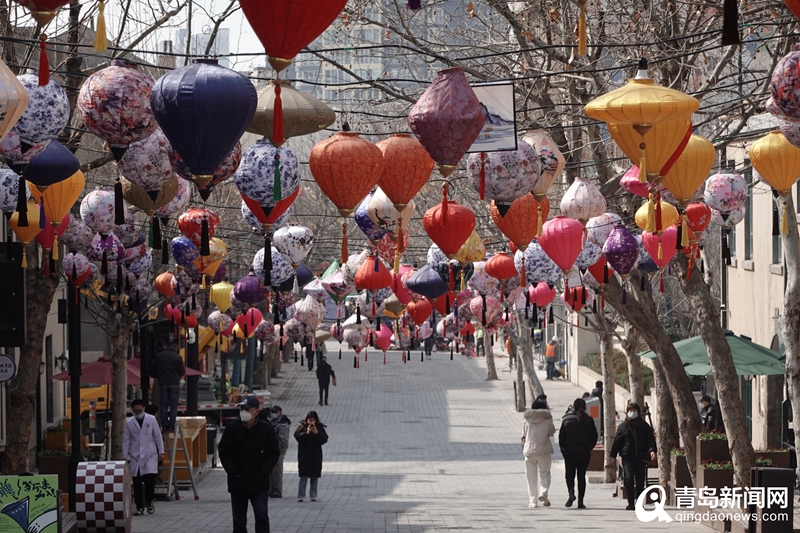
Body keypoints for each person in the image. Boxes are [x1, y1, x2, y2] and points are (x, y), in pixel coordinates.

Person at [219, 396, 280, 533]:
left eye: (247, 409)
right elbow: (224, 451)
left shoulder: (266, 429)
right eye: (242, 409)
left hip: (259, 482)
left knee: (261, 515)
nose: (243, 412)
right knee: (239, 521)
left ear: (256, 412)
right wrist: (234, 472)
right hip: (238, 482)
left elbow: (273, 453)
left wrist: (262, 472)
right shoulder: (232, 429)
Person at [609, 402, 657, 510]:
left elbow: (650, 439)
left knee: (640, 480)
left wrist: (652, 451)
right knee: (629, 478)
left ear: (638, 413)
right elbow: (617, 442)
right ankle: (630, 502)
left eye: (635, 411)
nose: (633, 413)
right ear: (627, 412)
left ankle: (639, 501)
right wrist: (612, 456)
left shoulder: (644, 426)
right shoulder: (623, 426)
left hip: (641, 457)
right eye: (631, 411)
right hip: (627, 457)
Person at [123, 399, 164, 516]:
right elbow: (126, 440)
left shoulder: (151, 420)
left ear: (144, 408)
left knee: (150, 480)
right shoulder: (129, 422)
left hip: (150, 455)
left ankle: (150, 502)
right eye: (135, 411)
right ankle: (139, 506)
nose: (138, 413)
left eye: (140, 410)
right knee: (137, 483)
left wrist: (161, 452)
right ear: (132, 411)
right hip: (136, 456)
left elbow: (157, 436)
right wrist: (124, 457)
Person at [558, 398, 598, 509]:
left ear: (573, 407)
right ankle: (581, 501)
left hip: (570, 454)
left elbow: (561, 438)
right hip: (584, 453)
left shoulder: (566, 420)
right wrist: (589, 448)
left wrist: (564, 451)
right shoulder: (589, 420)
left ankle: (571, 492)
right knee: (581, 476)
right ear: (585, 407)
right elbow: (594, 436)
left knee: (569, 475)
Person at [523, 399, 556, 508]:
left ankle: (533, 501)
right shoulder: (547, 419)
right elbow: (552, 432)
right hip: (543, 450)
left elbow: (523, 434)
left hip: (529, 450)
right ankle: (543, 493)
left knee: (531, 477)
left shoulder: (526, 419)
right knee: (545, 473)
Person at [149, 338, 185, 432]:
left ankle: (164, 425)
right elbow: (182, 371)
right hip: (174, 383)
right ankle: (171, 425)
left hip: (163, 382)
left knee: (163, 405)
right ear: (176, 348)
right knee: (174, 406)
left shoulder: (159, 356)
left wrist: (157, 373)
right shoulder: (177, 357)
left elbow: (151, 365)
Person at [295, 411, 329, 502]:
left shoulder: (319, 427)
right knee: (303, 476)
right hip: (304, 456)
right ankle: (301, 495)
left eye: (313, 420)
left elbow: (324, 439)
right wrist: (307, 432)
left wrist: (316, 433)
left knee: (314, 476)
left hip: (315, 455)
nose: (311, 422)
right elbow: (298, 438)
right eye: (310, 420)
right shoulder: (302, 427)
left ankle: (313, 495)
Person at [268, 405, 291, 498]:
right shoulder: (273, 422)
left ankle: (277, 491)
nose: (273, 414)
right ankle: (271, 490)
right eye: (272, 412)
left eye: (275, 412)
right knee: (271, 472)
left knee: (277, 472)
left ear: (280, 412)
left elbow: (283, 440)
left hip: (278, 451)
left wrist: (281, 452)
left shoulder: (282, 424)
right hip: (271, 451)